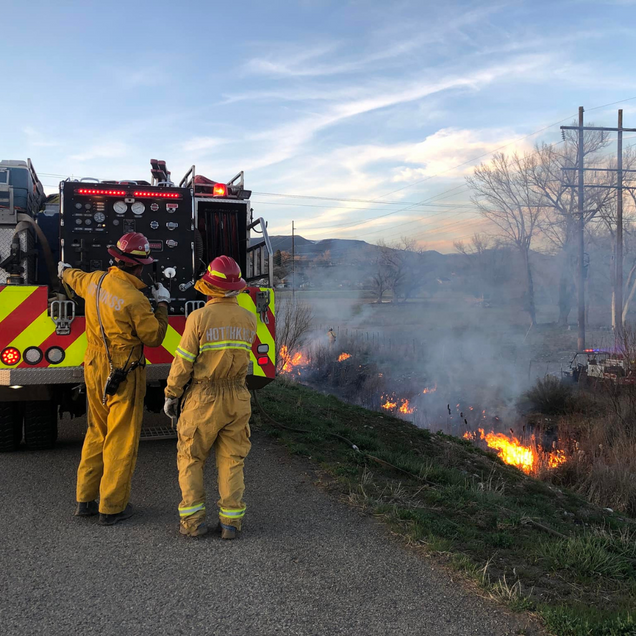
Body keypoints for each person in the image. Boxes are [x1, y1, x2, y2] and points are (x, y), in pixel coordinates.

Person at [58, 232, 170, 526]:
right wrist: (162, 305)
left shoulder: (94, 280)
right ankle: (112, 507)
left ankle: (85, 500)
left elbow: (73, 276)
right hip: (125, 369)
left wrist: (62, 270)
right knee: (121, 438)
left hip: (95, 363)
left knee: (97, 430)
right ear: (138, 265)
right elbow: (154, 337)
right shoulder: (134, 299)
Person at [164, 256, 256, 539]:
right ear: (236, 288)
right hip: (238, 396)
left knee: (191, 457)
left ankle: (193, 523)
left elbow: (183, 363)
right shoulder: (248, 318)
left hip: (204, 398)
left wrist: (171, 394)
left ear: (210, 286)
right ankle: (231, 523)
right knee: (232, 459)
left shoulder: (199, 318)